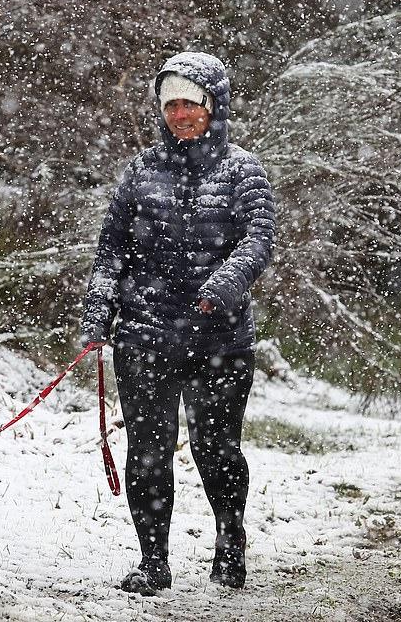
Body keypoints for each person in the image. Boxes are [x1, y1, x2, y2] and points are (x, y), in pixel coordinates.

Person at [80, 51, 275, 593]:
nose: (180, 114)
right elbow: (111, 251)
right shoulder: (139, 172)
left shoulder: (243, 171)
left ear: (214, 105)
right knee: (147, 454)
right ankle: (152, 563)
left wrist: (224, 283)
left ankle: (230, 547)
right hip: (144, 338)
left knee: (218, 451)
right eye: (171, 105)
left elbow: (258, 240)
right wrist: (100, 307)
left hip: (221, 339)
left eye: (191, 102)